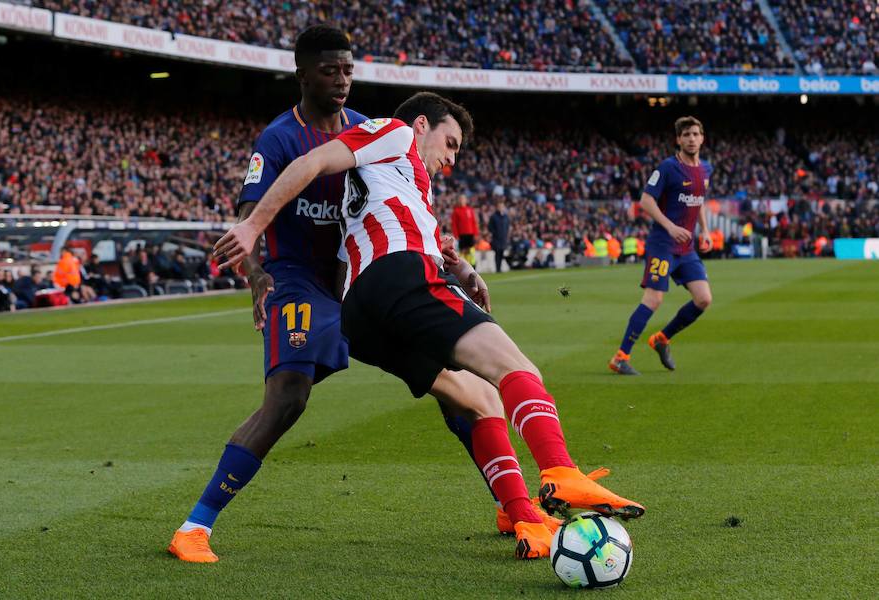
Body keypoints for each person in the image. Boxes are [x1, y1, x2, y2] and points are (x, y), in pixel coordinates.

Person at [168, 27, 555, 565]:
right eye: (330, 70)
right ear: (303, 75)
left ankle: (512, 507)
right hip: (300, 281)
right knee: (288, 397)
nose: (343, 80)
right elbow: (248, 221)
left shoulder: (369, 128)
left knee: (460, 385)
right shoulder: (279, 139)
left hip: (364, 281)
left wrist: (454, 261)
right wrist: (256, 276)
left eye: (348, 70)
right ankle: (195, 526)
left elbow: (401, 208)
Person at [215, 91, 646, 560]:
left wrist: (459, 266)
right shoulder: (395, 132)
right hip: (401, 276)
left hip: (361, 316)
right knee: (516, 369)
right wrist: (252, 227)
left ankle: (523, 518)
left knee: (480, 400)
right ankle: (561, 471)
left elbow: (376, 238)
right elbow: (313, 161)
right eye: (451, 143)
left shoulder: (387, 182)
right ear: (422, 124)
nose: (452, 158)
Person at [609, 116, 714, 375]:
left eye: (695, 134)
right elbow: (646, 200)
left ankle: (661, 339)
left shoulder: (706, 169)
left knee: (703, 299)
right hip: (663, 245)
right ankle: (620, 357)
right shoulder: (668, 167)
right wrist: (670, 227)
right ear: (678, 139)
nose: (691, 139)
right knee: (654, 299)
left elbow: (698, 200)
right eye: (686, 135)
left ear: (702, 138)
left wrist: (705, 230)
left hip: (686, 248)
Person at [451, 194, 479, 266]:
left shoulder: (470, 210)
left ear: (466, 200)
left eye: (463, 199)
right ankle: (464, 266)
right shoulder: (456, 211)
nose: (462, 201)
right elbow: (454, 224)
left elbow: (474, 222)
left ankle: (472, 265)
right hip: (461, 234)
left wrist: (476, 233)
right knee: (463, 251)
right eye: (460, 199)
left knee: (471, 250)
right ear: (458, 200)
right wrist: (456, 235)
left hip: (470, 233)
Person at [488, 201, 510, 272]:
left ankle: (500, 268)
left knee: (501, 253)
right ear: (497, 207)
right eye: (499, 206)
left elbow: (507, 226)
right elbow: (490, 227)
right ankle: (498, 268)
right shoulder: (494, 217)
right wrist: (495, 233)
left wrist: (506, 234)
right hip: (496, 238)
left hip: (503, 238)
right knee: (497, 253)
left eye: (502, 206)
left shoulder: (506, 217)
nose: (501, 208)